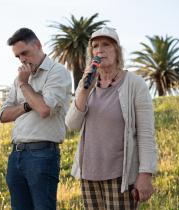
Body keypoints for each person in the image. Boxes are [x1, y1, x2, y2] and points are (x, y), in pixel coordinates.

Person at [65, 26, 157, 210]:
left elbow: (146, 133)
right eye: (95, 46)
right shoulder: (87, 84)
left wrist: (145, 174)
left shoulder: (134, 84)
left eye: (106, 44)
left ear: (117, 51)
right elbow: (72, 124)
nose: (100, 49)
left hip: (120, 176)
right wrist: (84, 89)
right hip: (89, 176)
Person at [0, 27, 72, 210]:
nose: (22, 59)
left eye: (25, 53)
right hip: (16, 154)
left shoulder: (57, 72)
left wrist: (24, 85)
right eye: (17, 56)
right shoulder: (19, 79)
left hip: (42, 154)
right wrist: (27, 104)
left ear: (38, 45)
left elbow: (44, 109)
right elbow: (3, 115)